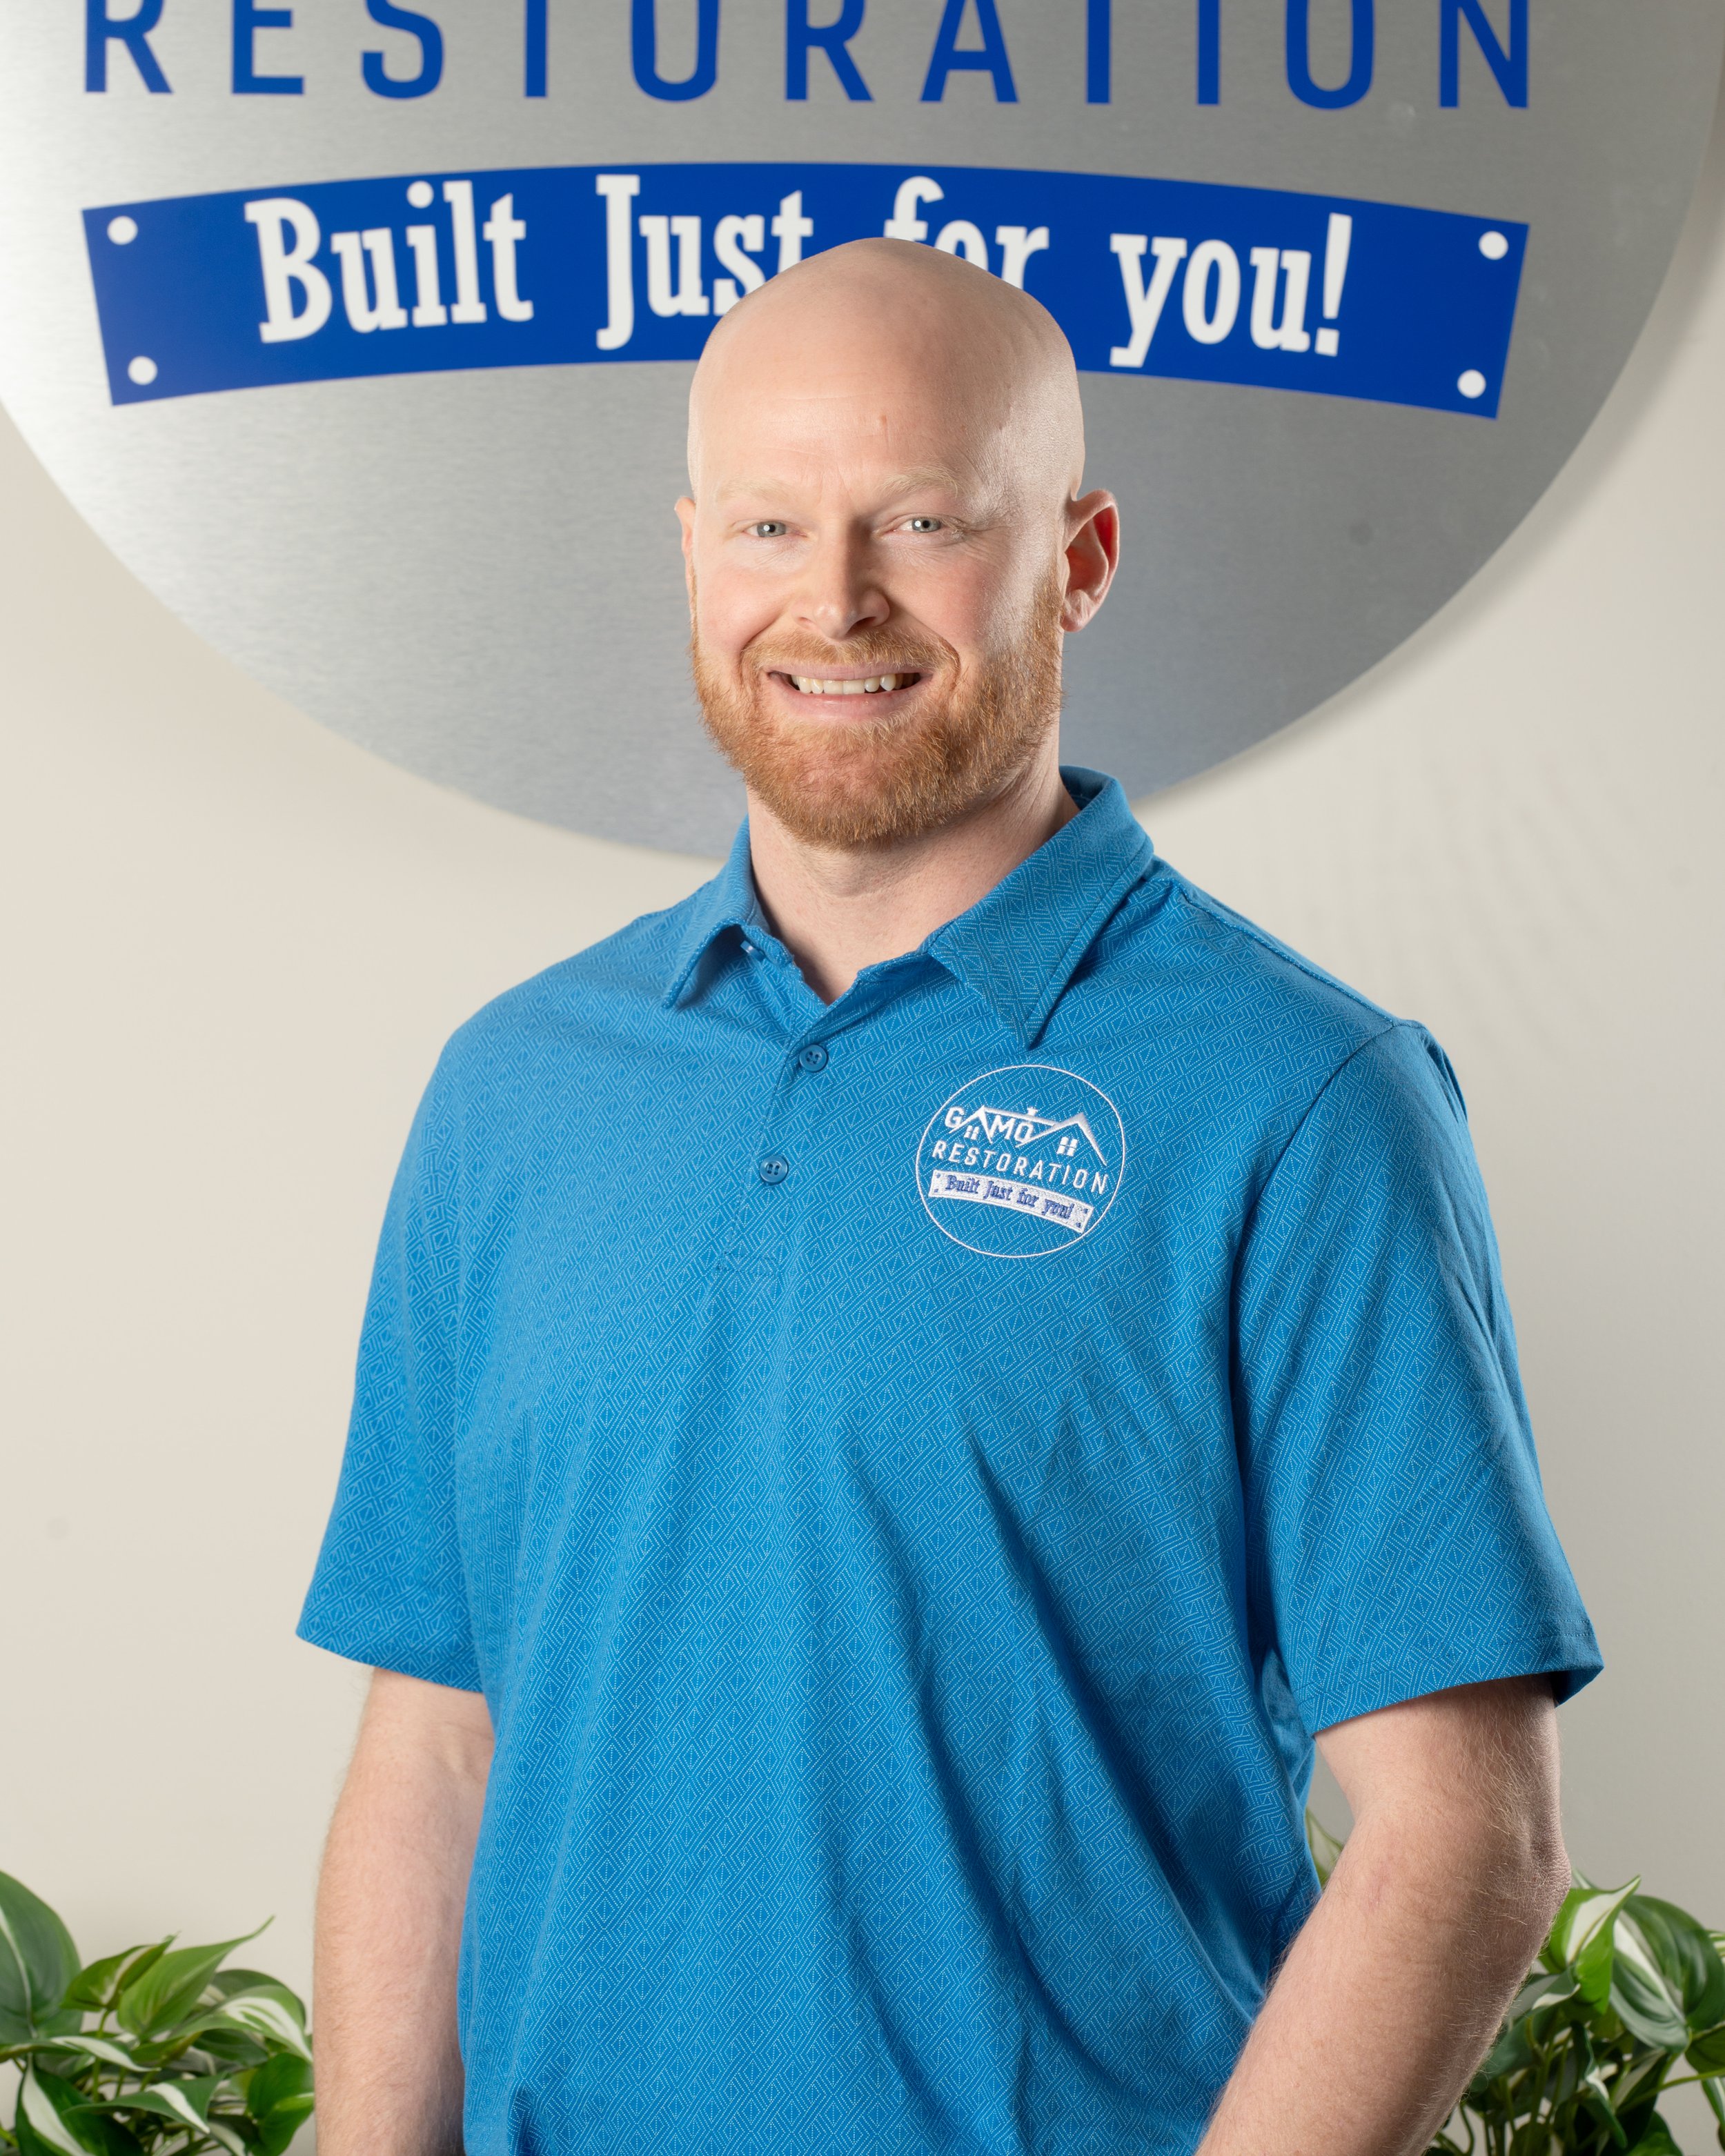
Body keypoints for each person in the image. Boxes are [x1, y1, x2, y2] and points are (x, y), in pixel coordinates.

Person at [299, 239, 1600, 2156]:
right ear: (690, 551)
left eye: (919, 519)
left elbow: (1459, 1838)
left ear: (1074, 556)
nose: (830, 601)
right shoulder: (517, 1091)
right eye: (766, 522)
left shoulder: (1300, 1097)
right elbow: (437, 1740)